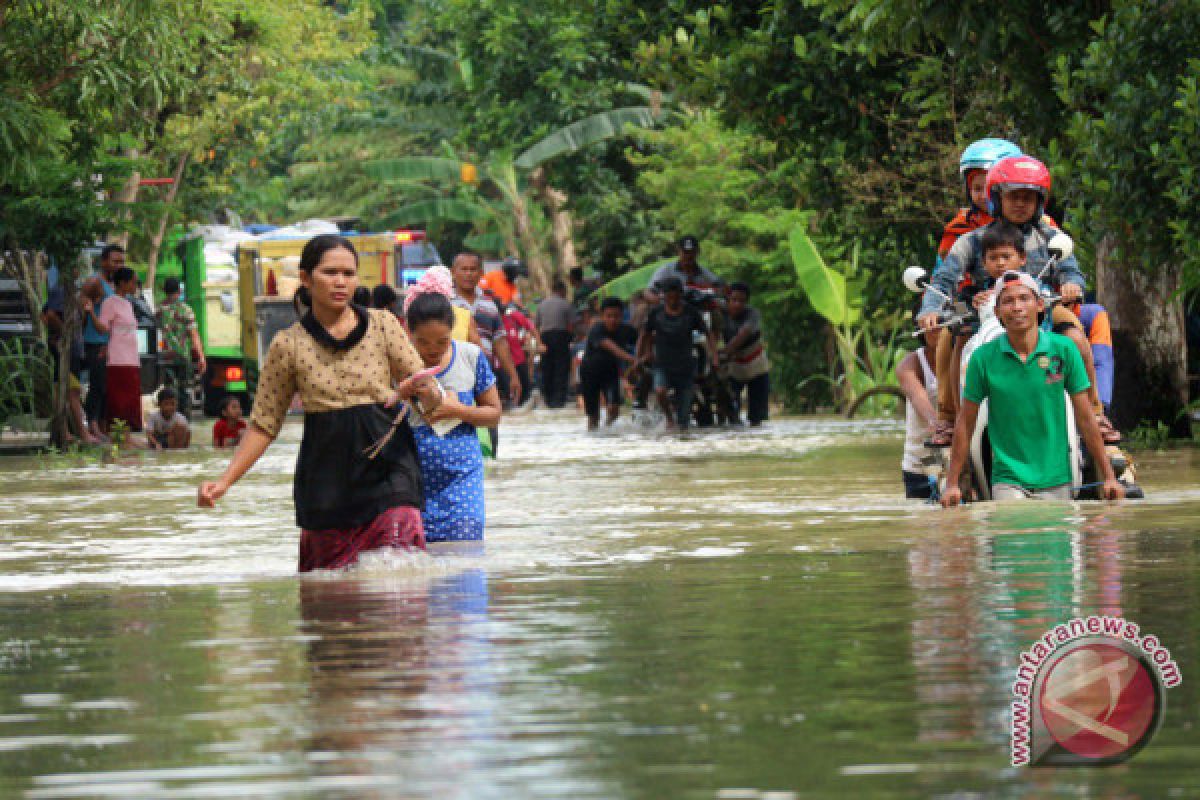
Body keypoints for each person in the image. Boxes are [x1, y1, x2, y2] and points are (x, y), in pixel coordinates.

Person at [197, 234, 437, 572]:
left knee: (401, 581)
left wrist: (434, 395)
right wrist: (225, 481)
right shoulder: (288, 345)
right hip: (327, 483)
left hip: (390, 468)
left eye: (349, 273)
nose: (341, 282)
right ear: (307, 279)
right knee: (332, 605)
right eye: (330, 272)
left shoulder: (383, 326)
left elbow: (423, 385)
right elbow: (264, 423)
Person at [918, 155, 1118, 444]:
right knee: (950, 340)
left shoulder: (1051, 236)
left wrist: (1072, 286)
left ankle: (1095, 413)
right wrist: (931, 308)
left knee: (1076, 338)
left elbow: (1072, 272)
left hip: (1044, 308)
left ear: (1040, 202)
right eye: (1013, 197)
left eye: (1029, 197)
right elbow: (945, 278)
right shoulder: (971, 240)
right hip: (984, 312)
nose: (1021, 204)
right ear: (997, 198)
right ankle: (949, 419)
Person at [941, 271, 1123, 506]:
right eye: (1008, 301)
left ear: (1039, 305)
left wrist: (1109, 477)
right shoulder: (982, 358)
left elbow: (1086, 417)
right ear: (997, 312)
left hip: (1057, 478)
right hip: (1008, 480)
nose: (1017, 307)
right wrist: (952, 484)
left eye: (1024, 299)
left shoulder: (1064, 350)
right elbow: (965, 423)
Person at [405, 291, 502, 542]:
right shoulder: (399, 363)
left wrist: (458, 411)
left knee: (466, 552)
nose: (432, 350)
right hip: (411, 481)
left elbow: (493, 414)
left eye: (442, 341)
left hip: (462, 477)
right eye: (423, 342)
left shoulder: (470, 357)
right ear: (408, 333)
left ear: (453, 331)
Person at [636, 276, 718, 432]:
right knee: (660, 390)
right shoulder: (656, 313)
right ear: (664, 296)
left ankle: (681, 433)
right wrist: (638, 358)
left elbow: (708, 334)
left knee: (684, 421)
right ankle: (668, 419)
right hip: (662, 363)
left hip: (685, 366)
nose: (673, 300)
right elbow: (644, 336)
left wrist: (714, 357)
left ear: (681, 295)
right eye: (669, 297)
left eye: (676, 296)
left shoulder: (691, 313)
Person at [449, 252, 520, 409]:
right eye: (464, 269)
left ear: (480, 273)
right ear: (453, 272)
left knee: (489, 422)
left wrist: (513, 375)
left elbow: (500, 342)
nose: (468, 274)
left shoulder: (490, 305)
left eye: (473, 269)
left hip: (484, 375)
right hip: (453, 377)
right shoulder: (445, 303)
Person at [82, 269, 142, 437]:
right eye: (133, 282)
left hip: (132, 360)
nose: (135, 285)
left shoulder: (128, 303)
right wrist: (91, 312)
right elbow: (103, 329)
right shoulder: (110, 302)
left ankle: (127, 436)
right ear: (122, 283)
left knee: (130, 399)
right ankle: (120, 436)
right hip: (118, 359)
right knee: (119, 400)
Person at [81, 244, 124, 437]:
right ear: (104, 261)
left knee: (109, 386)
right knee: (97, 384)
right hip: (95, 340)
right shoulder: (95, 282)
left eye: (121, 261)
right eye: (115, 261)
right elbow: (81, 303)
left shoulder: (116, 284)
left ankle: (104, 424)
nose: (118, 265)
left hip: (111, 343)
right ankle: (92, 425)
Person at [579, 297, 638, 430]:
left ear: (622, 316)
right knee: (593, 416)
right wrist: (633, 360)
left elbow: (641, 339)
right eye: (609, 316)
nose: (613, 320)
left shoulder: (626, 330)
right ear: (602, 316)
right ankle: (595, 437)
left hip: (610, 372)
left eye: (616, 316)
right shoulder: (596, 330)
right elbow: (613, 349)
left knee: (614, 410)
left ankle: (607, 431)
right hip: (589, 374)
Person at [896, 330, 938, 499]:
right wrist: (935, 423)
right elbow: (916, 395)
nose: (939, 331)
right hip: (919, 466)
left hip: (959, 463)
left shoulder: (966, 356)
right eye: (933, 327)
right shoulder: (910, 364)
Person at [721, 282, 770, 426]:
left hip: (755, 364)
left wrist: (725, 352)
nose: (737, 304)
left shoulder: (752, 314)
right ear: (727, 299)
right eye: (734, 300)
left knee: (757, 416)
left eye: (741, 301)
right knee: (730, 411)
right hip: (733, 365)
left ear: (746, 302)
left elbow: (743, 334)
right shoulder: (719, 312)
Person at [158, 277, 207, 407]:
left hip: (164, 358)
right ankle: (183, 420)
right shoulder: (186, 310)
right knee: (184, 390)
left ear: (164, 291)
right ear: (179, 291)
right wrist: (201, 357)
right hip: (182, 357)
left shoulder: (158, 311)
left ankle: (169, 417)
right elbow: (194, 335)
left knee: (168, 391)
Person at [535, 280, 576, 409]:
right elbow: (571, 325)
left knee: (547, 369)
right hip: (561, 337)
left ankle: (548, 399)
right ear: (562, 291)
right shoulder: (566, 304)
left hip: (545, 338)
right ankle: (559, 401)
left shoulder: (541, 305)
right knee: (561, 369)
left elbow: (535, 326)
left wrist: (540, 342)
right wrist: (571, 339)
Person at [646, 235, 722, 303]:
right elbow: (649, 291)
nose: (688, 256)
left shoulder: (704, 272)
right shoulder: (666, 270)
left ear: (697, 252)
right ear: (678, 251)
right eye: (685, 252)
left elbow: (720, 286)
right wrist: (659, 300)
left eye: (692, 252)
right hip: (670, 310)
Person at [501, 300, 542, 406]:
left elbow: (531, 328)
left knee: (523, 389)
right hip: (507, 362)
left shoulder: (513, 318)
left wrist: (539, 344)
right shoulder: (498, 321)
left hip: (516, 360)